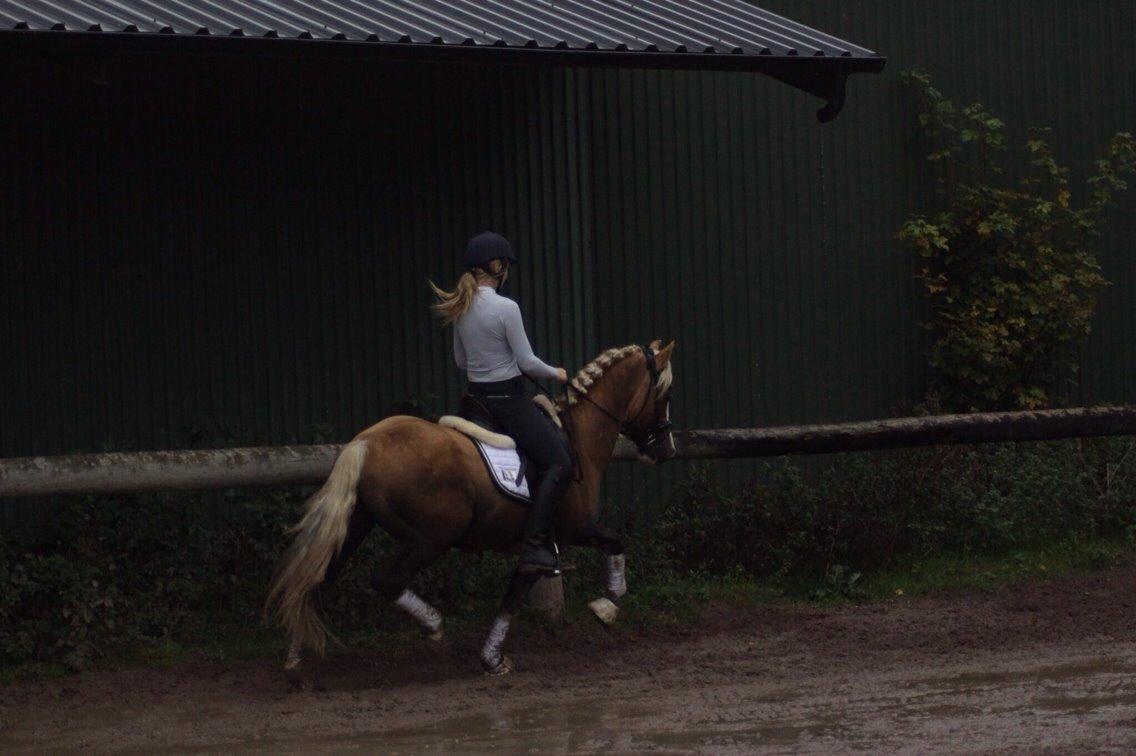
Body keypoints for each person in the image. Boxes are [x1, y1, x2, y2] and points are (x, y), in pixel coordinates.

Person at [429, 231, 571, 573]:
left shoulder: (460, 308)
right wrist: (557, 373)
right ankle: (536, 546)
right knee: (559, 463)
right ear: (496, 266)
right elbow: (526, 362)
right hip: (509, 403)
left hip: (476, 403)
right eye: (505, 266)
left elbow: (461, 362)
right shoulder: (507, 308)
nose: (506, 272)